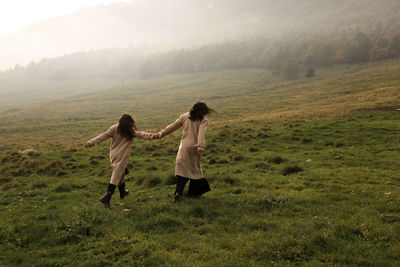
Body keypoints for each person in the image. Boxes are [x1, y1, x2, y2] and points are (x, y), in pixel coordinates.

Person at [85, 114, 155, 209]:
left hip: (113, 155)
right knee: (116, 175)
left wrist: (91, 142)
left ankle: (122, 192)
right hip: (122, 156)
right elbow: (141, 134)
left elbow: (103, 136)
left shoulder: (114, 128)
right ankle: (107, 197)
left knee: (120, 173)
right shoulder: (130, 130)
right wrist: (153, 136)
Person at [157, 101, 213, 202]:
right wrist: (201, 148)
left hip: (184, 148)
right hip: (195, 148)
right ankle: (193, 193)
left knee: (182, 171)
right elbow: (201, 134)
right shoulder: (203, 120)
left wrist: (162, 133)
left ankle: (178, 193)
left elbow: (173, 126)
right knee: (195, 171)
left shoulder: (185, 116)